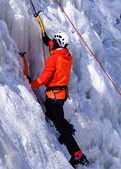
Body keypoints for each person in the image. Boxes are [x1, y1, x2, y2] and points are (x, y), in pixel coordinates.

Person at [30, 31, 89, 167]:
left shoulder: (54, 59)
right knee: (52, 115)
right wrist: (48, 40)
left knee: (59, 123)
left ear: (58, 43)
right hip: (61, 95)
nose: (54, 42)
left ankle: (77, 154)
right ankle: (67, 129)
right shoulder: (67, 57)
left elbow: (44, 78)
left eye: (55, 41)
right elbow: (57, 49)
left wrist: (31, 84)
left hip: (54, 96)